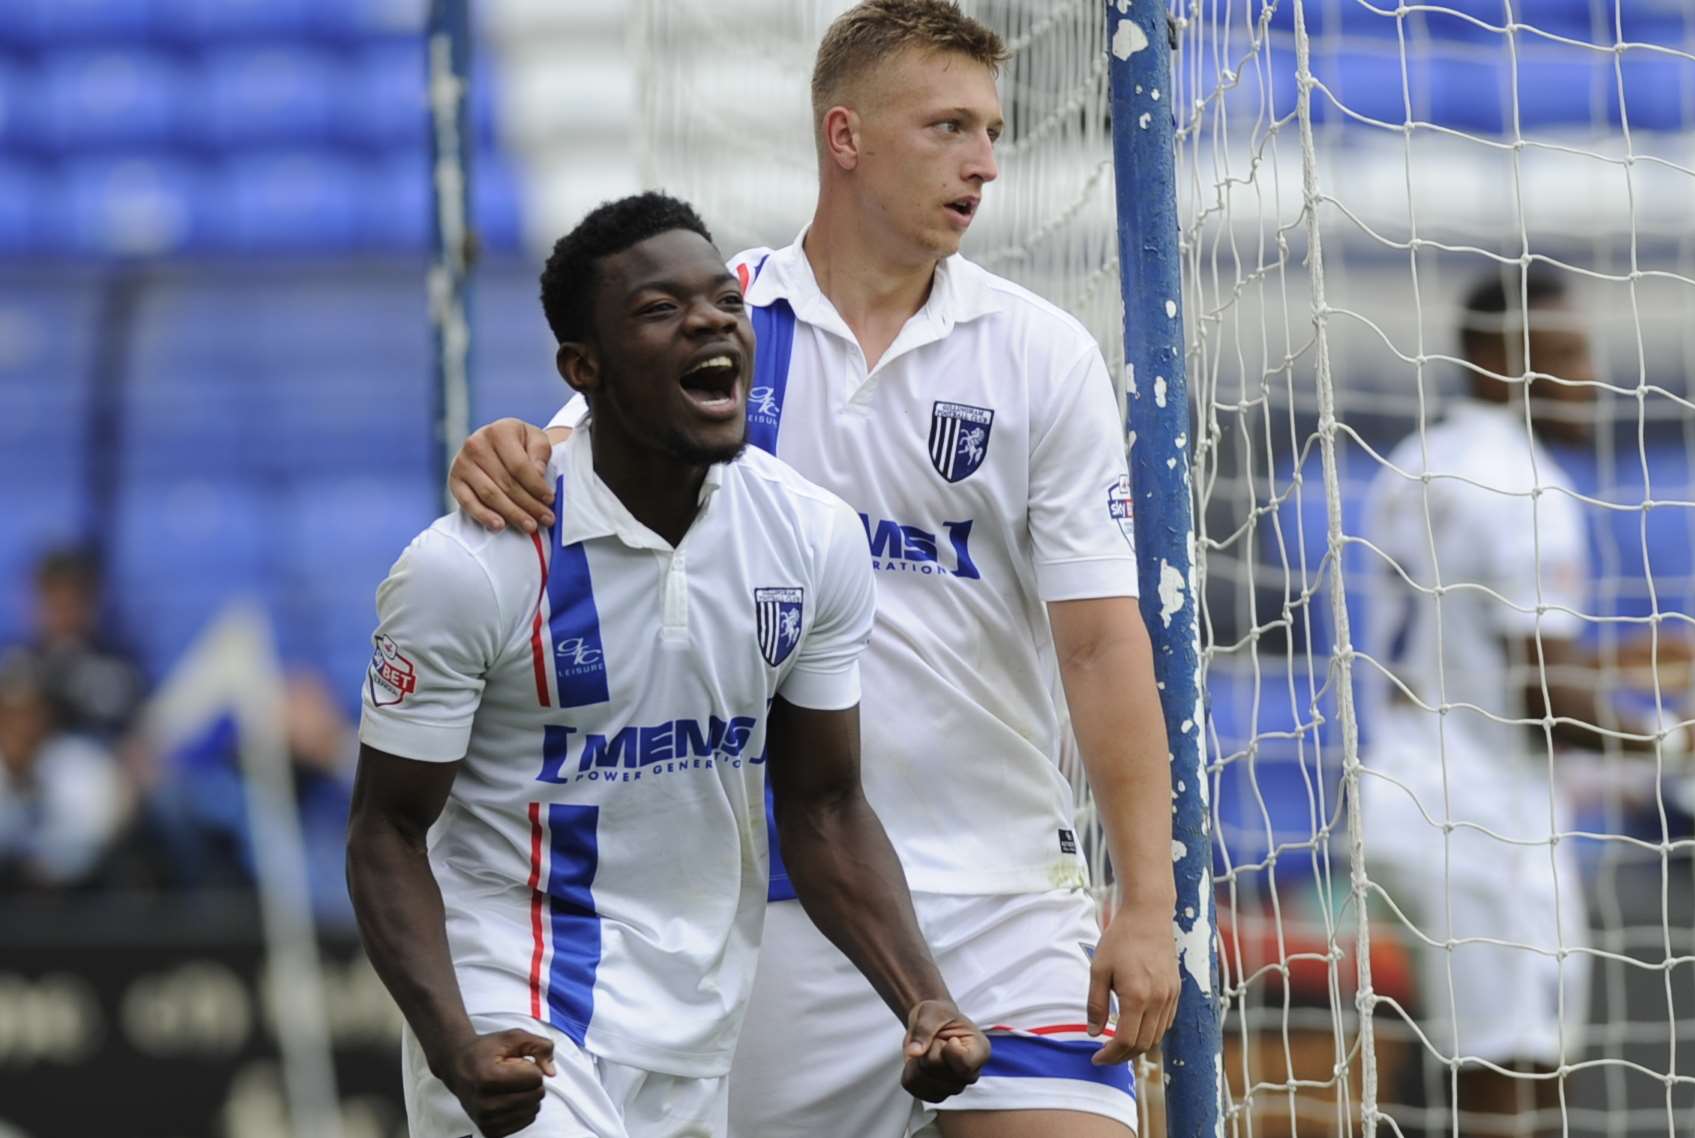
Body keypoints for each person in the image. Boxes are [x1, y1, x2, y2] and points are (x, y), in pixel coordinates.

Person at [448, 3, 1180, 1135]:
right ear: (844, 137)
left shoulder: (1040, 353)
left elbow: (1096, 638)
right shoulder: (712, 316)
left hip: (1004, 896)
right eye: (948, 127)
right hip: (786, 902)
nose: (984, 163)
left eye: (992, 131)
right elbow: (562, 466)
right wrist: (507, 449)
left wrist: (1145, 901)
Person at [347, 193, 987, 1138]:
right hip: (516, 1012)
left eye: (723, 300)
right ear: (583, 369)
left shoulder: (810, 540)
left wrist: (922, 999)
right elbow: (384, 832)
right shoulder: (469, 568)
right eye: (658, 310)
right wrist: (451, 1042)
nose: (708, 322)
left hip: (695, 1030)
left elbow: (823, 805)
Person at [1357, 265, 1695, 1138]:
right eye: (1561, 357)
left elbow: (1474, 650)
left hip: (1407, 782)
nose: (1587, 378)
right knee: (1512, 1070)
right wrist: (1675, 739)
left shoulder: (1416, 460)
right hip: (1484, 817)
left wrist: (1621, 657)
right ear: (1492, 361)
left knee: (1502, 1058)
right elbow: (1540, 695)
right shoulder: (1528, 489)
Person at [0, 657, 132, 891]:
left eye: (29, 712)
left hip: (74, 893)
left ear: (46, 714)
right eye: (10, 714)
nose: (20, 724)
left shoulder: (82, 761)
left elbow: (99, 832)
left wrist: (43, 858)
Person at [4, 547, 147, 742]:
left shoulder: (118, 668)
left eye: (72, 603)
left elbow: (132, 729)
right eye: (55, 604)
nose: (64, 617)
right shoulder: (17, 662)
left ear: (91, 603)